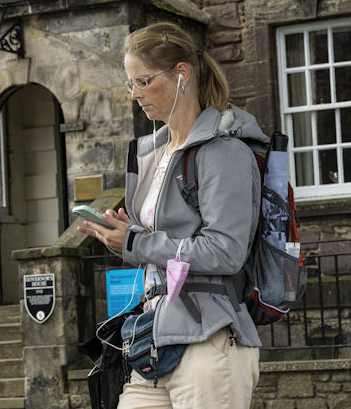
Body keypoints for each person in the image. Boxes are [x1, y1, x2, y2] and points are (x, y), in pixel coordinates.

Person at [77, 22, 267, 408]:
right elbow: (156, 246)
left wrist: (136, 241)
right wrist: (122, 235)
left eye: (143, 81)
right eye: (131, 84)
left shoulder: (224, 152)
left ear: (181, 74)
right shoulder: (154, 154)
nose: (135, 95)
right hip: (153, 339)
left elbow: (226, 251)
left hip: (209, 341)